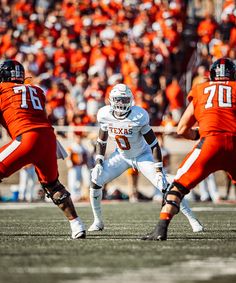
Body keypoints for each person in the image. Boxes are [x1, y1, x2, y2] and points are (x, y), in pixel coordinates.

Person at [142, 57, 236, 241]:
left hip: (209, 143)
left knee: (177, 187)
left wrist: (200, 134)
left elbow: (182, 129)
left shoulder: (201, 89)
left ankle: (161, 228)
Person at [88, 83, 203, 232]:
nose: (121, 103)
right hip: (121, 156)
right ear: (111, 100)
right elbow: (101, 141)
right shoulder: (105, 114)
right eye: (118, 99)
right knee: (95, 179)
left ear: (130, 100)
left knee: (164, 186)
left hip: (142, 156)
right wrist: (98, 162)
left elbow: (154, 144)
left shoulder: (138, 115)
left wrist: (159, 170)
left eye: (124, 99)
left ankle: (192, 219)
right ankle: (97, 221)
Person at [0, 59, 86, 239]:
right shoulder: (37, 90)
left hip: (28, 138)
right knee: (53, 185)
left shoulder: (2, 90)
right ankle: (77, 225)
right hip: (48, 138)